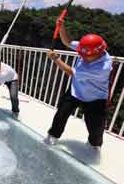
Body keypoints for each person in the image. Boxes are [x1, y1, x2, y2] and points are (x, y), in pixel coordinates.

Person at [45, 19, 112, 150]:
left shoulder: (103, 67)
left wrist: (56, 59)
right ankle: (53, 135)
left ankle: (94, 145)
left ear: (97, 53)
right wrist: (62, 27)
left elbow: (71, 72)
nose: (82, 56)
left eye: (85, 55)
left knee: (95, 126)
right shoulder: (87, 48)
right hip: (76, 90)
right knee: (61, 114)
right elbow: (67, 42)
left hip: (95, 97)